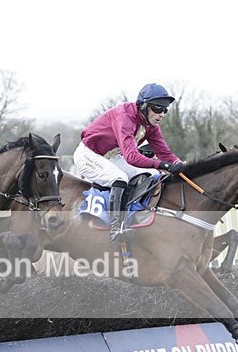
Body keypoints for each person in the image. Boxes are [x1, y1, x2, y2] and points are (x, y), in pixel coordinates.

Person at [73, 83, 184, 244]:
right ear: (144, 106)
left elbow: (165, 153)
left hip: (112, 157)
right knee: (120, 178)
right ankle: (116, 229)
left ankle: (136, 218)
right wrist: (165, 166)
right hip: (89, 155)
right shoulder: (124, 117)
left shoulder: (151, 126)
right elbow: (132, 157)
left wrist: (181, 165)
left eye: (165, 110)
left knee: (153, 175)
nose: (162, 114)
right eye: (158, 109)